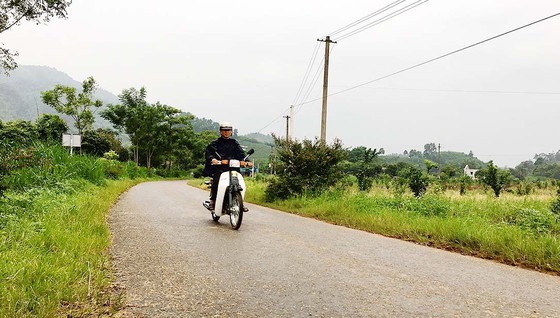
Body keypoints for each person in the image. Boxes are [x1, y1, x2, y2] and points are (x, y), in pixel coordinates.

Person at [203, 121, 249, 210]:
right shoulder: (215, 143)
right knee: (217, 180)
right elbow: (209, 153)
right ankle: (213, 201)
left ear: (231, 131)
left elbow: (241, 154)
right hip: (220, 168)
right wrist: (213, 159)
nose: (226, 132)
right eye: (224, 130)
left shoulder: (234, 143)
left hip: (234, 168)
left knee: (239, 181)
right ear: (220, 131)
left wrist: (246, 161)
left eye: (228, 130)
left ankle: (239, 202)